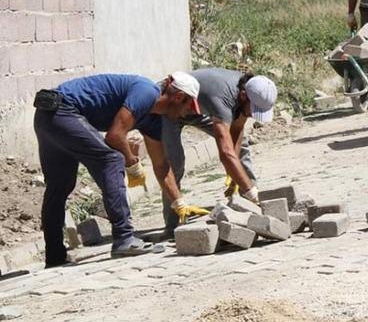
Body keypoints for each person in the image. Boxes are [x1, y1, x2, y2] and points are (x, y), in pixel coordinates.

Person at [33, 72, 208, 267]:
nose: (186, 113)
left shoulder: (153, 120)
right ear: (178, 97)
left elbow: (161, 165)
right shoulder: (147, 92)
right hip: (62, 110)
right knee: (113, 160)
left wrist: (179, 203)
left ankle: (55, 256)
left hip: (47, 114)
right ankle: (124, 238)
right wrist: (131, 161)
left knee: (60, 185)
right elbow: (115, 136)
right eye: (188, 106)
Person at [158, 69, 277, 238]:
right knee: (174, 163)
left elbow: (237, 129)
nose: (253, 115)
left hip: (198, 109)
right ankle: (172, 226)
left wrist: (234, 174)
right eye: (253, 110)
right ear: (243, 96)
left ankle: (250, 209)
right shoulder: (223, 99)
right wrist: (248, 188)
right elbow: (225, 152)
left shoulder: (246, 92)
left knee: (241, 147)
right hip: (172, 109)